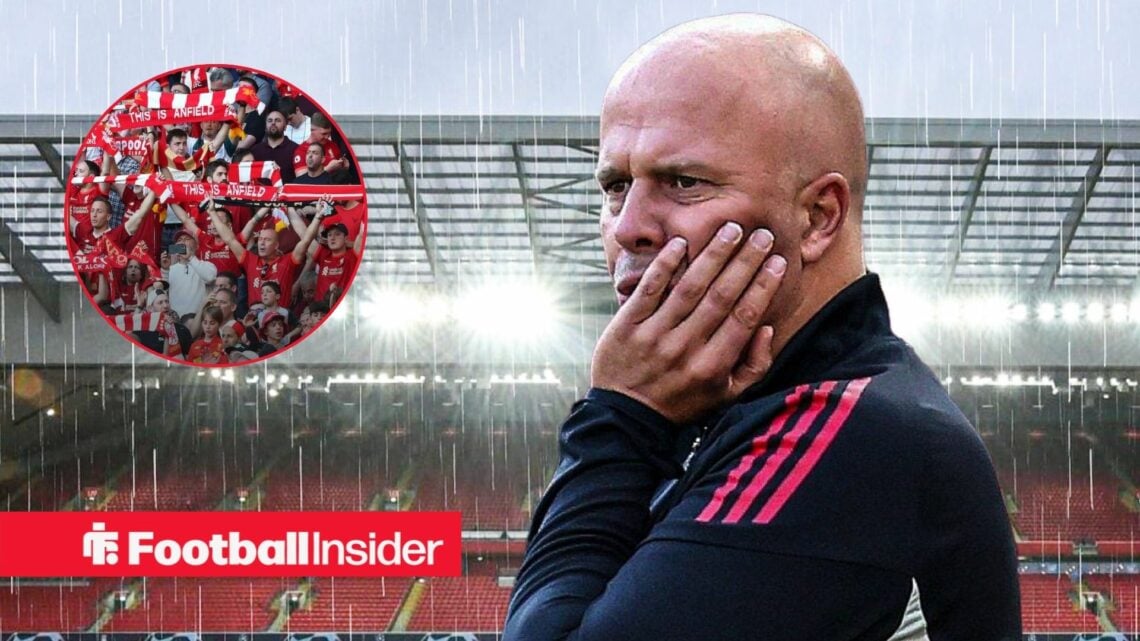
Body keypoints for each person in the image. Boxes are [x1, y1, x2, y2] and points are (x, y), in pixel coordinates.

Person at [503, 15, 1020, 641]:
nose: (628, 226)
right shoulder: (739, 410)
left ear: (818, 217)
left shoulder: (855, 433)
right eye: (615, 187)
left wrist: (618, 417)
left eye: (684, 182)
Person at [250, 110, 298, 183]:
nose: (273, 123)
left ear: (285, 126)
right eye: (270, 120)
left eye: (277, 120)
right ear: (265, 126)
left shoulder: (295, 149)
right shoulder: (255, 151)